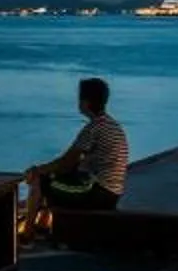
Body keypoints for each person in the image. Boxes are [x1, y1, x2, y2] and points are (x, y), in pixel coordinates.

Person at [28, 76, 129, 226]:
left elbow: (66, 162)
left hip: (97, 193)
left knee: (40, 182)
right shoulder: (113, 126)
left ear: (86, 102)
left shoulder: (94, 128)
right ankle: (44, 226)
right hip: (112, 193)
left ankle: (27, 233)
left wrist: (38, 170)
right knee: (55, 180)